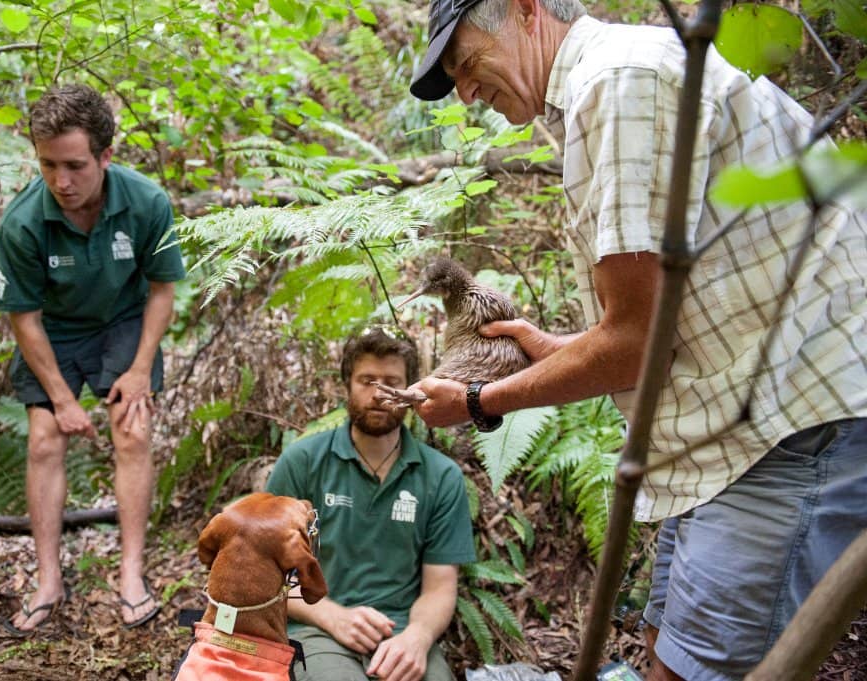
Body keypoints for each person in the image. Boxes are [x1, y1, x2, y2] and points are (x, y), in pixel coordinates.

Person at [408, 1, 867, 680]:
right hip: (731, 419)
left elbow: (635, 343)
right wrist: (558, 345)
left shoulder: (616, 84)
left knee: (696, 670)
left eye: (469, 64)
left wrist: (479, 400)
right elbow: (663, 318)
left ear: (529, 11)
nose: (469, 93)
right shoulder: (618, 75)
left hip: (789, 424)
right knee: (661, 647)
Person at [0, 83, 185, 633]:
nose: (61, 181)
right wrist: (63, 400)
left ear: (105, 156)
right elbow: (22, 318)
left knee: (132, 429)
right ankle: (48, 577)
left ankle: (131, 573)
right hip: (54, 331)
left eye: (74, 165)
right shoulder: (24, 222)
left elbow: (163, 289)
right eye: (48, 165)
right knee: (45, 437)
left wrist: (141, 368)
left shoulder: (146, 202)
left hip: (123, 322)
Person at [265, 326, 477, 681]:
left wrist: (418, 637)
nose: (380, 393)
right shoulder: (303, 462)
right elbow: (267, 573)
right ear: (346, 384)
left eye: (392, 381)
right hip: (317, 632)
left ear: (412, 392)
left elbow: (440, 586)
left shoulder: (441, 477)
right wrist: (332, 616)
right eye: (367, 380)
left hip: (402, 635)